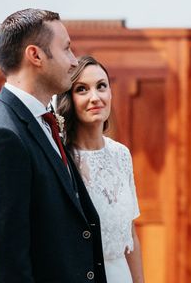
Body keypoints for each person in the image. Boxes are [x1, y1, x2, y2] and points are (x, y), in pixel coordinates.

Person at [0, 9, 107, 282]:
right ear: (35, 55)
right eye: (66, 49)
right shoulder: (0, 137)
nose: (74, 61)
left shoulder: (41, 121)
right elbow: (5, 265)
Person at [57, 56, 144, 283]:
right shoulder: (61, 160)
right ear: (69, 98)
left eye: (101, 86)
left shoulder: (121, 155)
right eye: (82, 89)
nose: (95, 97)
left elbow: (131, 236)